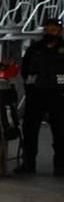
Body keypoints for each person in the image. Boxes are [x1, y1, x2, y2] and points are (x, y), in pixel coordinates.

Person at [17, 17, 64, 176]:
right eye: (48, 29)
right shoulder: (35, 48)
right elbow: (25, 69)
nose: (51, 32)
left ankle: (60, 166)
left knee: (60, 132)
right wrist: (31, 83)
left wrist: (59, 84)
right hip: (36, 95)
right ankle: (28, 164)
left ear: (60, 31)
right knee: (30, 130)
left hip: (58, 96)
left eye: (54, 30)